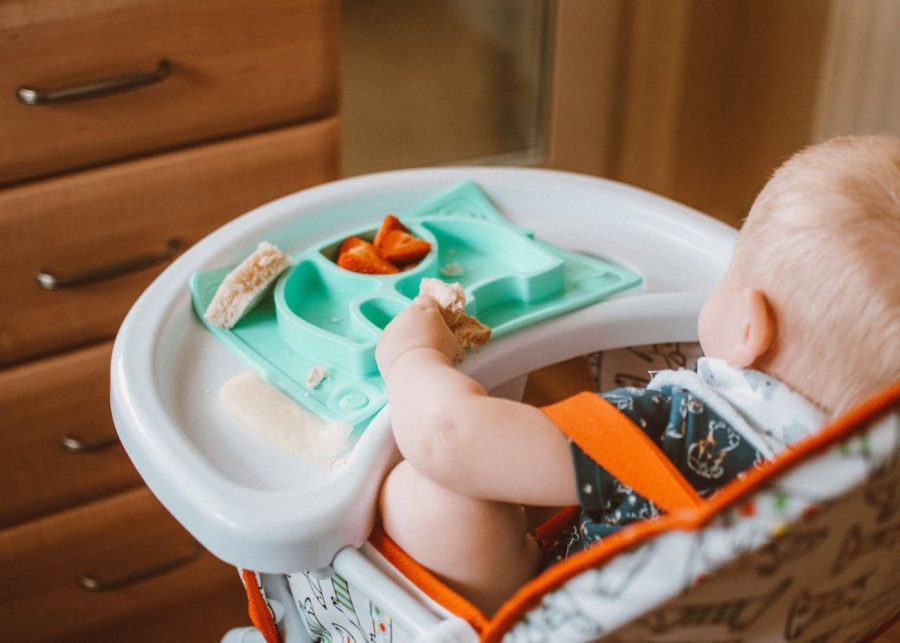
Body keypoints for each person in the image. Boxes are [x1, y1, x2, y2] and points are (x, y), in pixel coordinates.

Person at [374, 135, 900, 616]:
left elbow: (450, 436)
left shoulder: (682, 431)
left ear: (748, 329)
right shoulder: (866, 497)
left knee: (423, 497)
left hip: (570, 618)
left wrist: (411, 357)